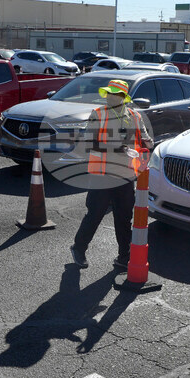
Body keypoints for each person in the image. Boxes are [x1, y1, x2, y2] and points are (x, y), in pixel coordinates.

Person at [71, 79, 153, 270]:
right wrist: (120, 148)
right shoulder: (98, 114)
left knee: (124, 218)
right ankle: (79, 248)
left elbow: (144, 139)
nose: (109, 96)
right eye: (108, 93)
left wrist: (148, 144)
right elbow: (90, 143)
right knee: (95, 214)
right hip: (102, 174)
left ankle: (124, 257)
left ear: (123, 97)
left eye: (114, 93)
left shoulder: (134, 116)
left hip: (125, 176)